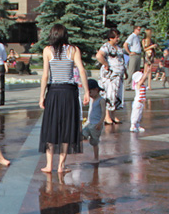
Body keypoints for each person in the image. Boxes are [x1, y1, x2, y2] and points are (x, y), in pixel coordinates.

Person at [39, 24, 90, 174]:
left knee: (51, 127)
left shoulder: (47, 50)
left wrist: (41, 96)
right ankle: (61, 165)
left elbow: (45, 75)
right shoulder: (73, 50)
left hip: (54, 92)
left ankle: (49, 165)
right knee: (67, 127)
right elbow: (81, 70)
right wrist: (86, 91)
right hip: (69, 92)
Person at [96, 29, 125, 125]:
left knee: (116, 95)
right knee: (110, 94)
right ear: (111, 37)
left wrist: (125, 71)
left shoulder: (118, 47)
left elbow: (122, 59)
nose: (118, 39)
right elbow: (99, 56)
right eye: (116, 37)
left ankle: (113, 115)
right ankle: (107, 116)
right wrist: (106, 64)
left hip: (118, 76)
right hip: (110, 76)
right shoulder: (106, 46)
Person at [82, 78, 104, 161]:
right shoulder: (91, 99)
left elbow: (103, 113)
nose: (89, 95)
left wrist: (100, 123)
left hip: (96, 124)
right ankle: (83, 136)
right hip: (89, 123)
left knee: (94, 142)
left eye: (90, 92)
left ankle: (96, 157)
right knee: (83, 133)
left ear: (96, 90)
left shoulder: (101, 100)